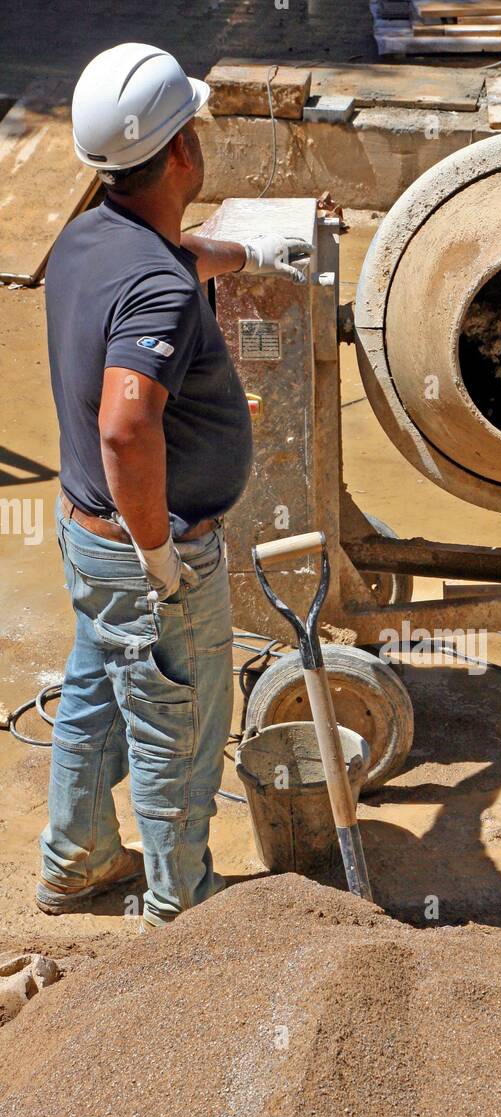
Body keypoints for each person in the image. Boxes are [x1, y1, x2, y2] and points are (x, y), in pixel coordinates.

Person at [38, 43, 306, 926]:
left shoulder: (87, 237)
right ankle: (178, 911)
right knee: (178, 730)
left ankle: (75, 861)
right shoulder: (155, 286)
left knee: (92, 701)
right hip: (151, 557)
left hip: (88, 539)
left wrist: (244, 255)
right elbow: (125, 422)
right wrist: (159, 553)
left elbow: (171, 261)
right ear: (184, 152)